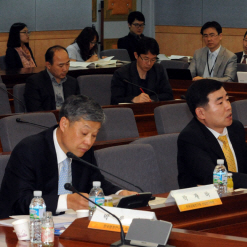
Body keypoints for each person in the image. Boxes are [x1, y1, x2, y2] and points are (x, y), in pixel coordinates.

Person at [0, 95, 136, 218]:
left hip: (69, 227)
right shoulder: (30, 150)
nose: (89, 142)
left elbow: (95, 182)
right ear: (64, 124)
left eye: (94, 135)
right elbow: (18, 202)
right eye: (84, 133)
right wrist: (67, 201)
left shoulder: (84, 150)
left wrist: (119, 193)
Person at [177, 79, 247, 189]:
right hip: (207, 203)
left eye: (227, 99)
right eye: (220, 103)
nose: (228, 106)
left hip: (238, 196)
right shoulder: (190, 138)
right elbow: (214, 177)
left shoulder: (235, 128)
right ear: (201, 113)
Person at [110, 37, 174, 105]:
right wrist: (133, 99)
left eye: (153, 60)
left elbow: (169, 95)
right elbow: (115, 100)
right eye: (146, 59)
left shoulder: (158, 70)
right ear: (136, 55)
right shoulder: (121, 74)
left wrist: (151, 99)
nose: (149, 63)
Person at [24, 46, 80, 112]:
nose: (65, 69)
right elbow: (35, 111)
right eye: (61, 66)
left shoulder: (72, 82)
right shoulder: (35, 82)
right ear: (48, 65)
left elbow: (77, 107)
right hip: (47, 120)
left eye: (67, 64)